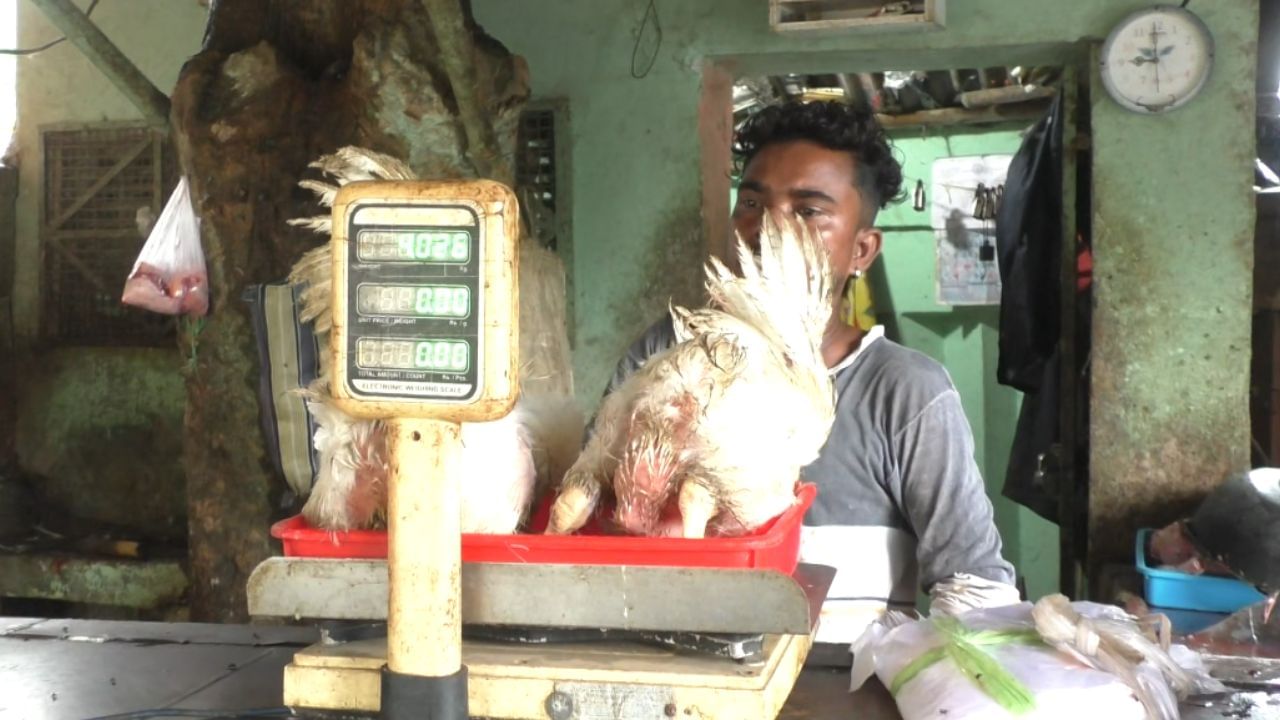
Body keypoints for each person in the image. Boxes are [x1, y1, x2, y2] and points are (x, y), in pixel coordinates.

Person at [598, 100, 1018, 649]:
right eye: (752, 201)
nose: (767, 225)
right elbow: (590, 511)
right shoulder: (666, 351)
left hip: (844, 693)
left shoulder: (907, 392)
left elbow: (974, 590)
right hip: (682, 683)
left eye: (808, 209)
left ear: (862, 250)